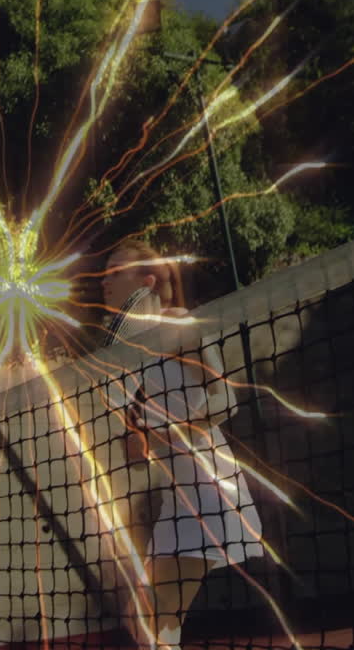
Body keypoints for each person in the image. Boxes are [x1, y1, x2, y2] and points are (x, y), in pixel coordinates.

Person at [99, 239, 265, 650]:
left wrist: (163, 436)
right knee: (151, 625)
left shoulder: (176, 326)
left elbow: (225, 400)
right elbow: (139, 451)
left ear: (147, 280)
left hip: (213, 492)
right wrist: (136, 445)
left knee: (150, 621)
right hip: (179, 502)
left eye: (115, 270)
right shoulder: (130, 354)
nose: (104, 280)